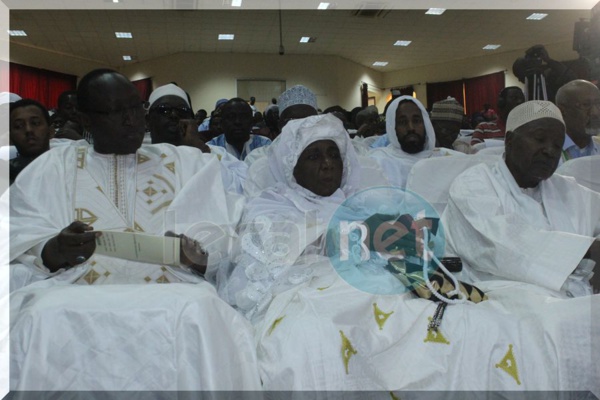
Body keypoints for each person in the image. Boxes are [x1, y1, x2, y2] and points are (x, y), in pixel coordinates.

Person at [7, 68, 260, 390]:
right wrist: (53, 249)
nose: (132, 121)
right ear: (86, 119)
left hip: (174, 287)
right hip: (74, 288)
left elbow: (222, 229)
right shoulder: (51, 167)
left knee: (201, 308)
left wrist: (197, 254)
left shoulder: (185, 163)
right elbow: (17, 230)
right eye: (117, 112)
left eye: (135, 109)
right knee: (42, 313)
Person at [443, 100, 600, 297]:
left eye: (557, 145)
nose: (549, 151)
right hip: (495, 296)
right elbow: (499, 246)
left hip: (570, 296)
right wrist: (588, 251)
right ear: (509, 141)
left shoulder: (565, 188)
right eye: (540, 139)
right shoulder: (474, 184)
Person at [368, 95, 463, 188]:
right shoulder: (378, 162)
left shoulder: (441, 157)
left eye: (416, 121)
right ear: (393, 128)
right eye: (403, 122)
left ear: (426, 124)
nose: (411, 128)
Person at [555, 79, 600, 162]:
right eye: (586, 105)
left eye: (598, 104)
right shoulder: (546, 153)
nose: (595, 113)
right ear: (562, 111)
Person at [9, 98, 52, 184]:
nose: (28, 130)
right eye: (19, 126)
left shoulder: (69, 166)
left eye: (35, 123)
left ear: (51, 131)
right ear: (10, 138)